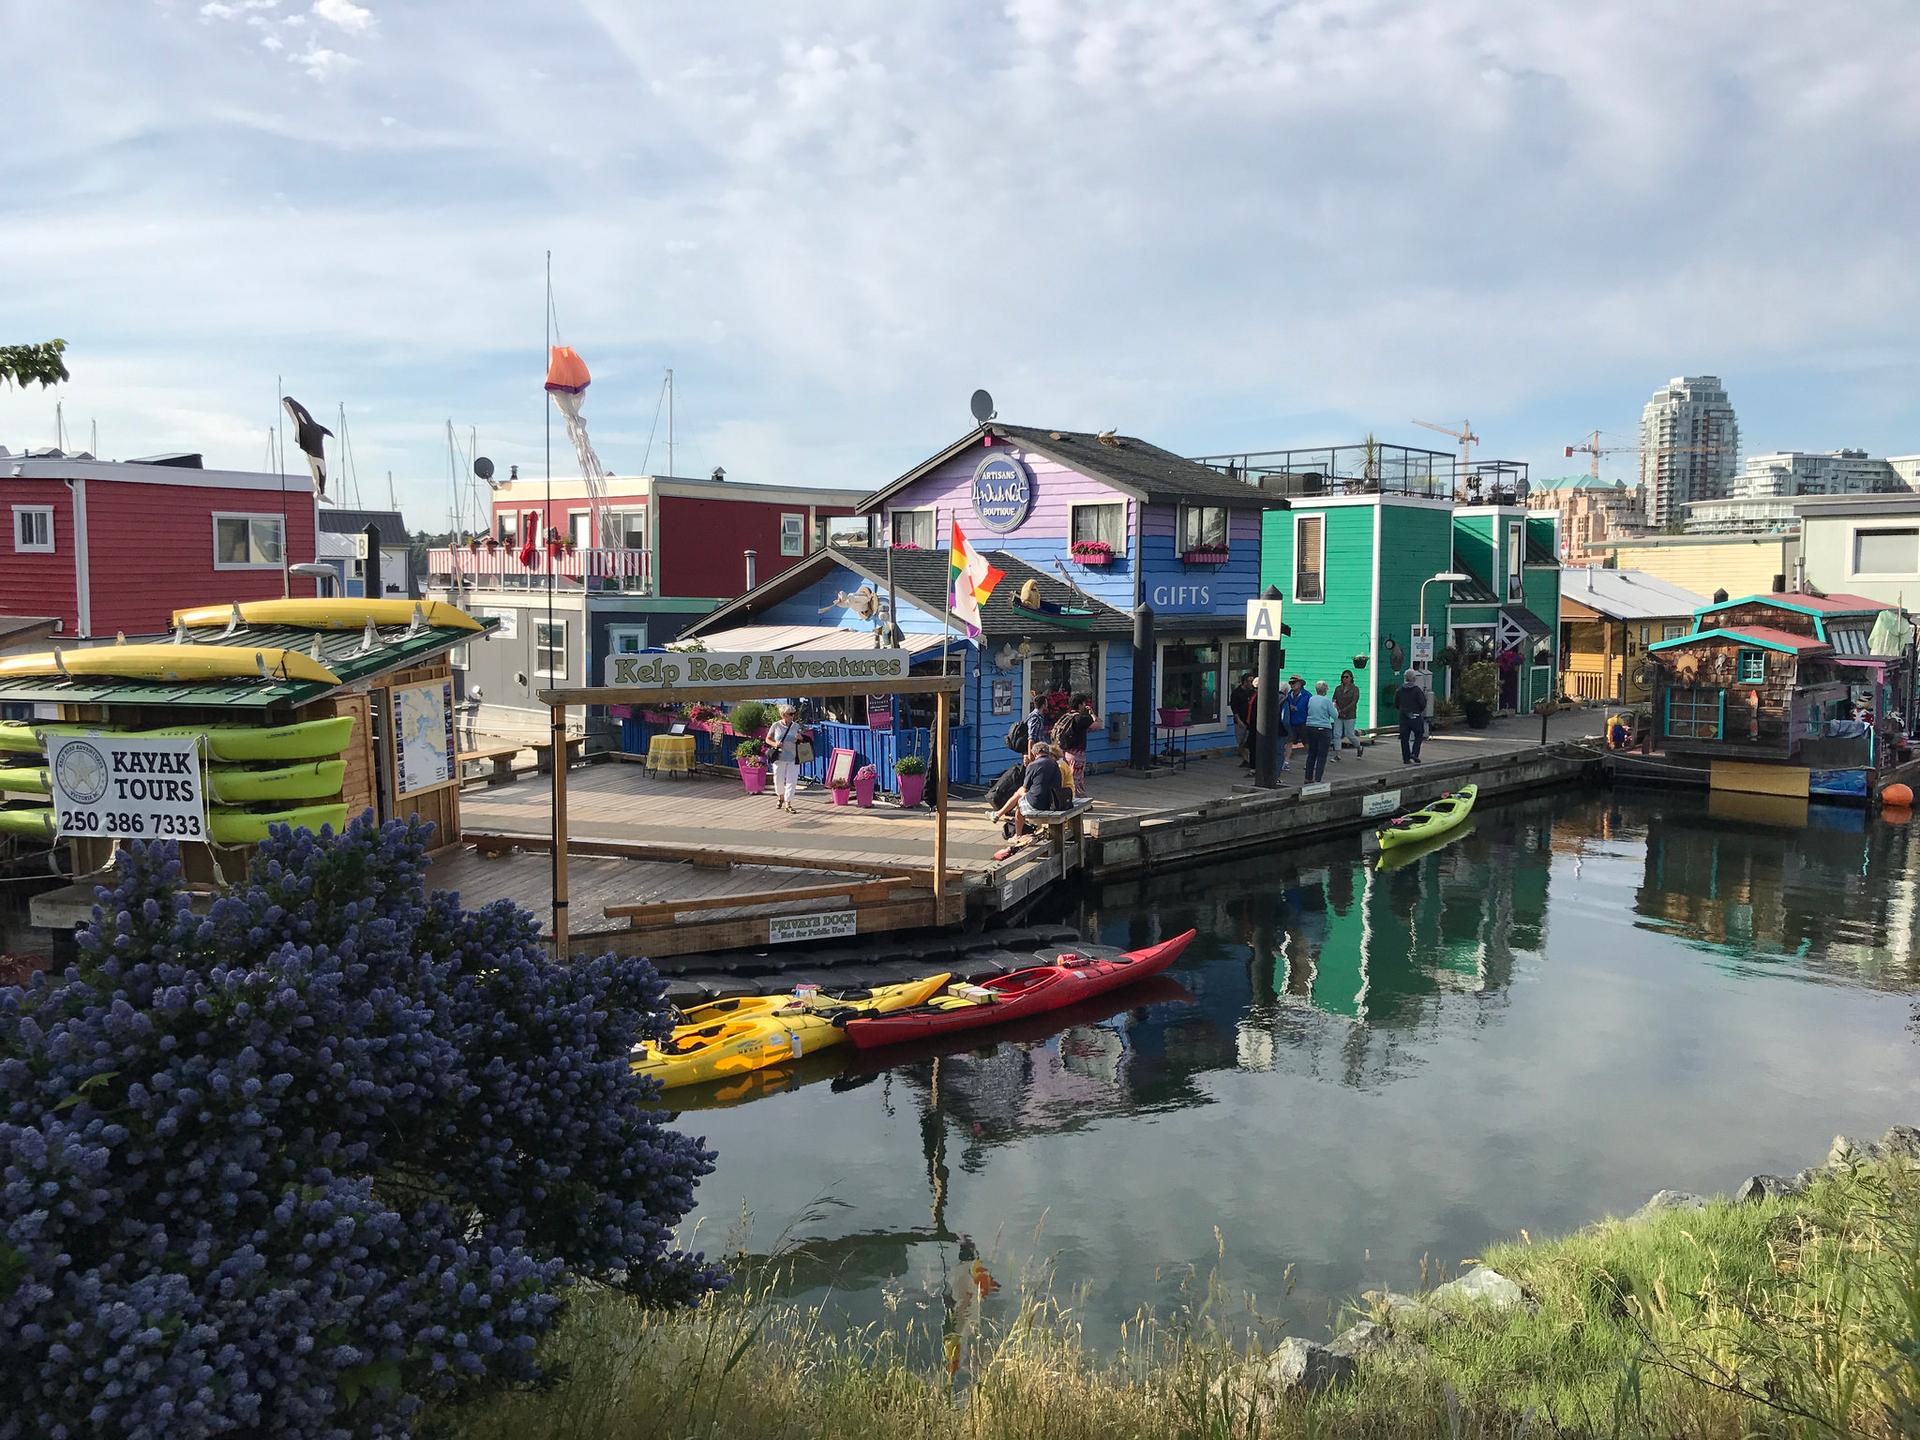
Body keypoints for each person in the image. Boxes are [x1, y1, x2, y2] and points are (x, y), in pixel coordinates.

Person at [765, 704, 809, 812]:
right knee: (778, 780)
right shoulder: (776, 726)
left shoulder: (796, 726)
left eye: (793, 714)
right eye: (790, 714)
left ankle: (788, 803)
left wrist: (800, 738)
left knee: (792, 781)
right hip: (779, 757)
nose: (792, 716)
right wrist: (775, 744)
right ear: (783, 715)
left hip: (793, 757)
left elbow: (802, 739)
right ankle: (780, 796)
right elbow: (768, 739)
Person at [1055, 692, 1098, 795]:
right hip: (1077, 754)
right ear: (1080, 705)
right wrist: (1092, 714)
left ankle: (1066, 797)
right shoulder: (1082, 718)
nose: (1084, 706)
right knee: (1076, 779)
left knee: (1066, 777)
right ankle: (1077, 800)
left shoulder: (1065, 717)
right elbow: (1098, 725)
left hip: (1064, 752)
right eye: (1084, 703)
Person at [1303, 680, 1337, 783]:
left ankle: (1308, 777)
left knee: (1312, 753)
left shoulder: (1311, 699)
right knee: (1322, 755)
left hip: (1310, 727)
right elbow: (1335, 716)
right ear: (1325, 690)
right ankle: (1318, 778)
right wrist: (1334, 706)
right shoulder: (1326, 701)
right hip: (1323, 728)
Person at [1395, 669, 1427, 765]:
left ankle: (1406, 758)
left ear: (1405, 678)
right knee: (1419, 734)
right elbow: (1423, 703)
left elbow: (1396, 704)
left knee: (1404, 738)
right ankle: (1414, 753)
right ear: (1414, 678)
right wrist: (1419, 711)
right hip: (1415, 716)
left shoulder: (1399, 690)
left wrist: (1402, 710)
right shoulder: (1417, 690)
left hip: (1403, 716)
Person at [1332, 670, 1362, 758]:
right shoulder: (1338, 688)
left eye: (1347, 677)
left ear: (1351, 678)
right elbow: (1334, 699)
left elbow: (1354, 702)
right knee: (1337, 734)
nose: (1344, 679)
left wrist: (1343, 711)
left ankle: (1359, 747)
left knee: (1349, 734)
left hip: (1350, 715)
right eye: (1343, 677)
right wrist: (1337, 709)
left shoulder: (1355, 689)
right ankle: (1337, 754)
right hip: (1338, 714)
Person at [1229, 671, 1256, 768]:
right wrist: (1238, 720)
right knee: (1240, 742)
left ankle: (1249, 760)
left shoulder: (1253, 692)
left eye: (1252, 681)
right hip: (1240, 720)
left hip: (1250, 721)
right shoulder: (1236, 693)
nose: (1251, 684)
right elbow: (1234, 707)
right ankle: (1246, 759)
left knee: (1247, 742)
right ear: (1244, 682)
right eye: (1249, 681)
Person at [1283, 676, 1310, 758]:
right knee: (1289, 742)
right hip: (1291, 722)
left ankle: (1312, 760)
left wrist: (1293, 707)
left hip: (1303, 723)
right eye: (1290, 683)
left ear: (1300, 683)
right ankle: (1286, 762)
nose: (1292, 684)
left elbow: (1304, 708)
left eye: (1294, 682)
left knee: (1306, 743)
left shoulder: (1307, 695)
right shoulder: (1288, 694)